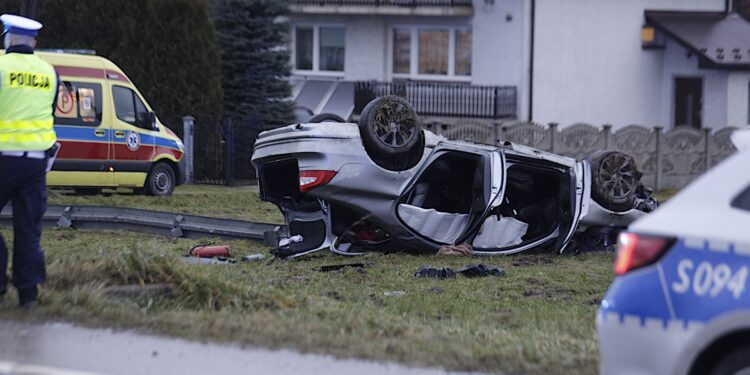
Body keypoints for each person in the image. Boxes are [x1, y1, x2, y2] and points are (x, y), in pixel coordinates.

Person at [0, 14, 58, 308]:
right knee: (28, 228)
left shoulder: (0, 66)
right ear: (33, 42)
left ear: (7, 38)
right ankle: (28, 295)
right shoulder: (48, 72)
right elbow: (50, 114)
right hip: (35, 163)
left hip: (2, 159)